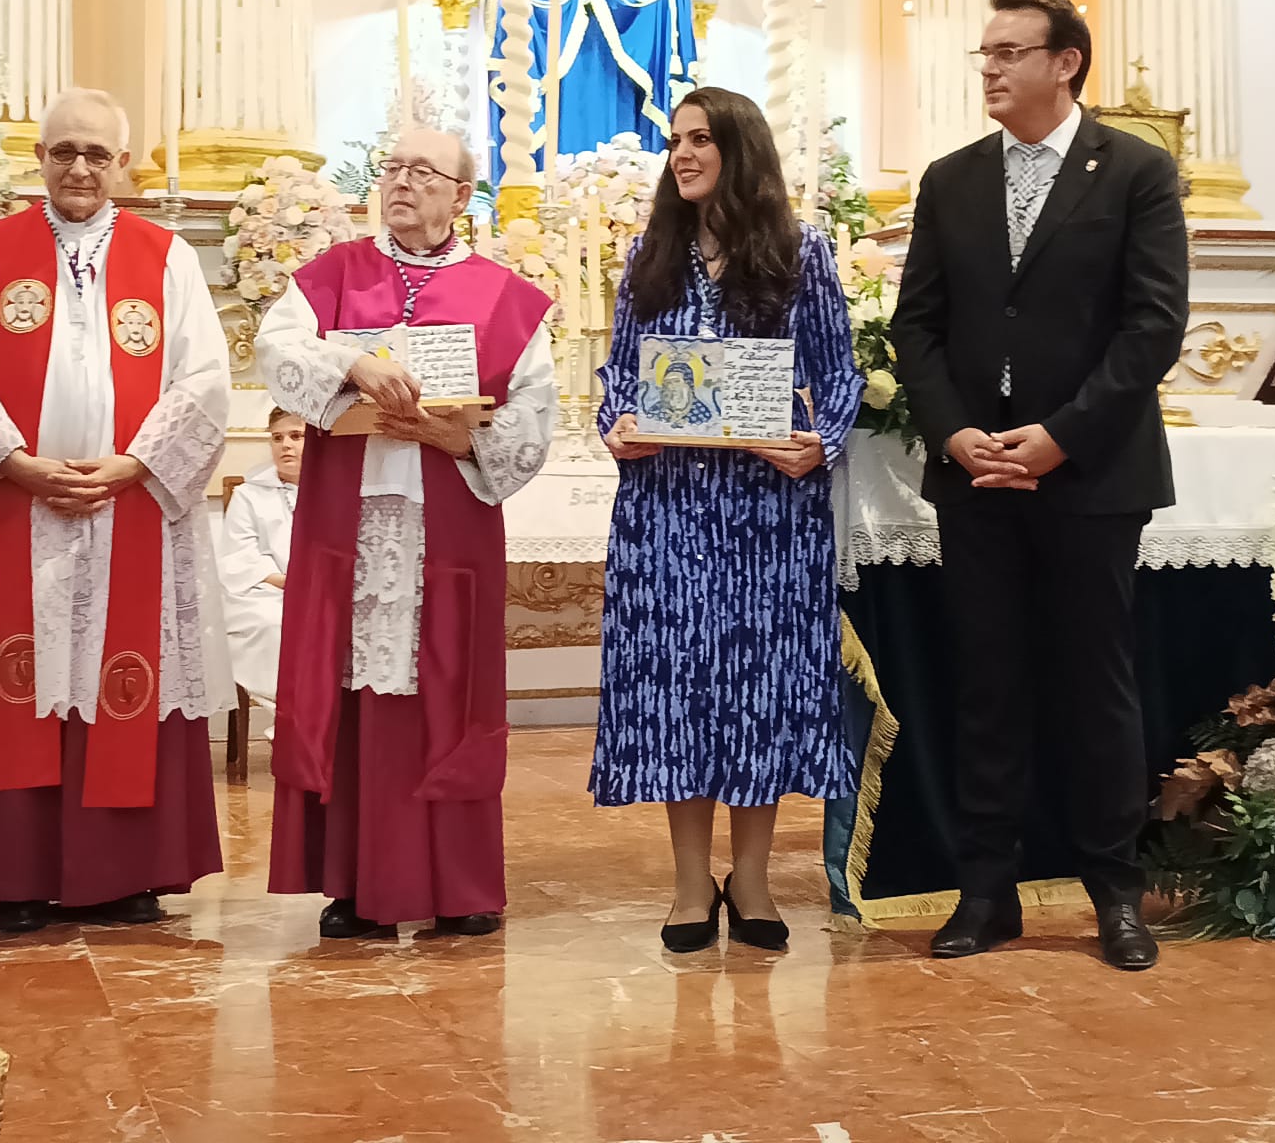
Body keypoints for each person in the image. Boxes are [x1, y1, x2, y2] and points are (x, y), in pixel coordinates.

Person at [890, 0, 1189, 971]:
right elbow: (918, 328)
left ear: (1065, 63)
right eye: (984, 53)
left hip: (1090, 472)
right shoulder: (950, 180)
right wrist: (955, 431)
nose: (988, 68)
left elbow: (1151, 328)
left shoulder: (1137, 172)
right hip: (976, 474)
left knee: (1096, 686)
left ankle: (1115, 892)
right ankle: (986, 891)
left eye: (1009, 52)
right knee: (990, 684)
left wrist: (1060, 436)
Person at [0, 87, 233, 932]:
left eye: (97, 154)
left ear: (123, 164)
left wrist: (135, 463)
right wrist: (14, 461)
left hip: (126, 504)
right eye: (64, 150)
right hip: (15, 507)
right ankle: (18, 874)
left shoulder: (165, 255)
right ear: (39, 156)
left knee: (121, 677)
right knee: (20, 681)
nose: (79, 167)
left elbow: (204, 378)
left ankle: (124, 873)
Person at [259, 127, 555, 940]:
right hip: (349, 524)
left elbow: (534, 409)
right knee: (351, 689)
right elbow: (275, 347)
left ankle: (461, 885)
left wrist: (466, 441)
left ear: (462, 196)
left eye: (424, 172)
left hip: (447, 522)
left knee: (449, 692)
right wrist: (352, 366)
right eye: (392, 167)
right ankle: (352, 883)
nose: (402, 182)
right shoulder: (332, 276)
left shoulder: (505, 296)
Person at [594, 87, 863, 953]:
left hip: (767, 512)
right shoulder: (647, 256)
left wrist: (818, 441)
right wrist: (619, 427)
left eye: (702, 139)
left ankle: (749, 880)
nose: (683, 154)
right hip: (668, 507)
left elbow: (841, 373)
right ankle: (685, 884)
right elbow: (617, 379)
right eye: (675, 140)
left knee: (758, 690)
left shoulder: (802, 252)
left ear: (741, 150)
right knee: (678, 688)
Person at [218, 406, 305, 737]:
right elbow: (239, 557)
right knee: (275, 624)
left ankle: (334, 727)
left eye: (296, 436)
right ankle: (291, 726)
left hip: (321, 591)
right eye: (277, 438)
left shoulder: (338, 492)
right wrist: (288, 582)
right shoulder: (248, 495)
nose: (285, 445)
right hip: (264, 593)